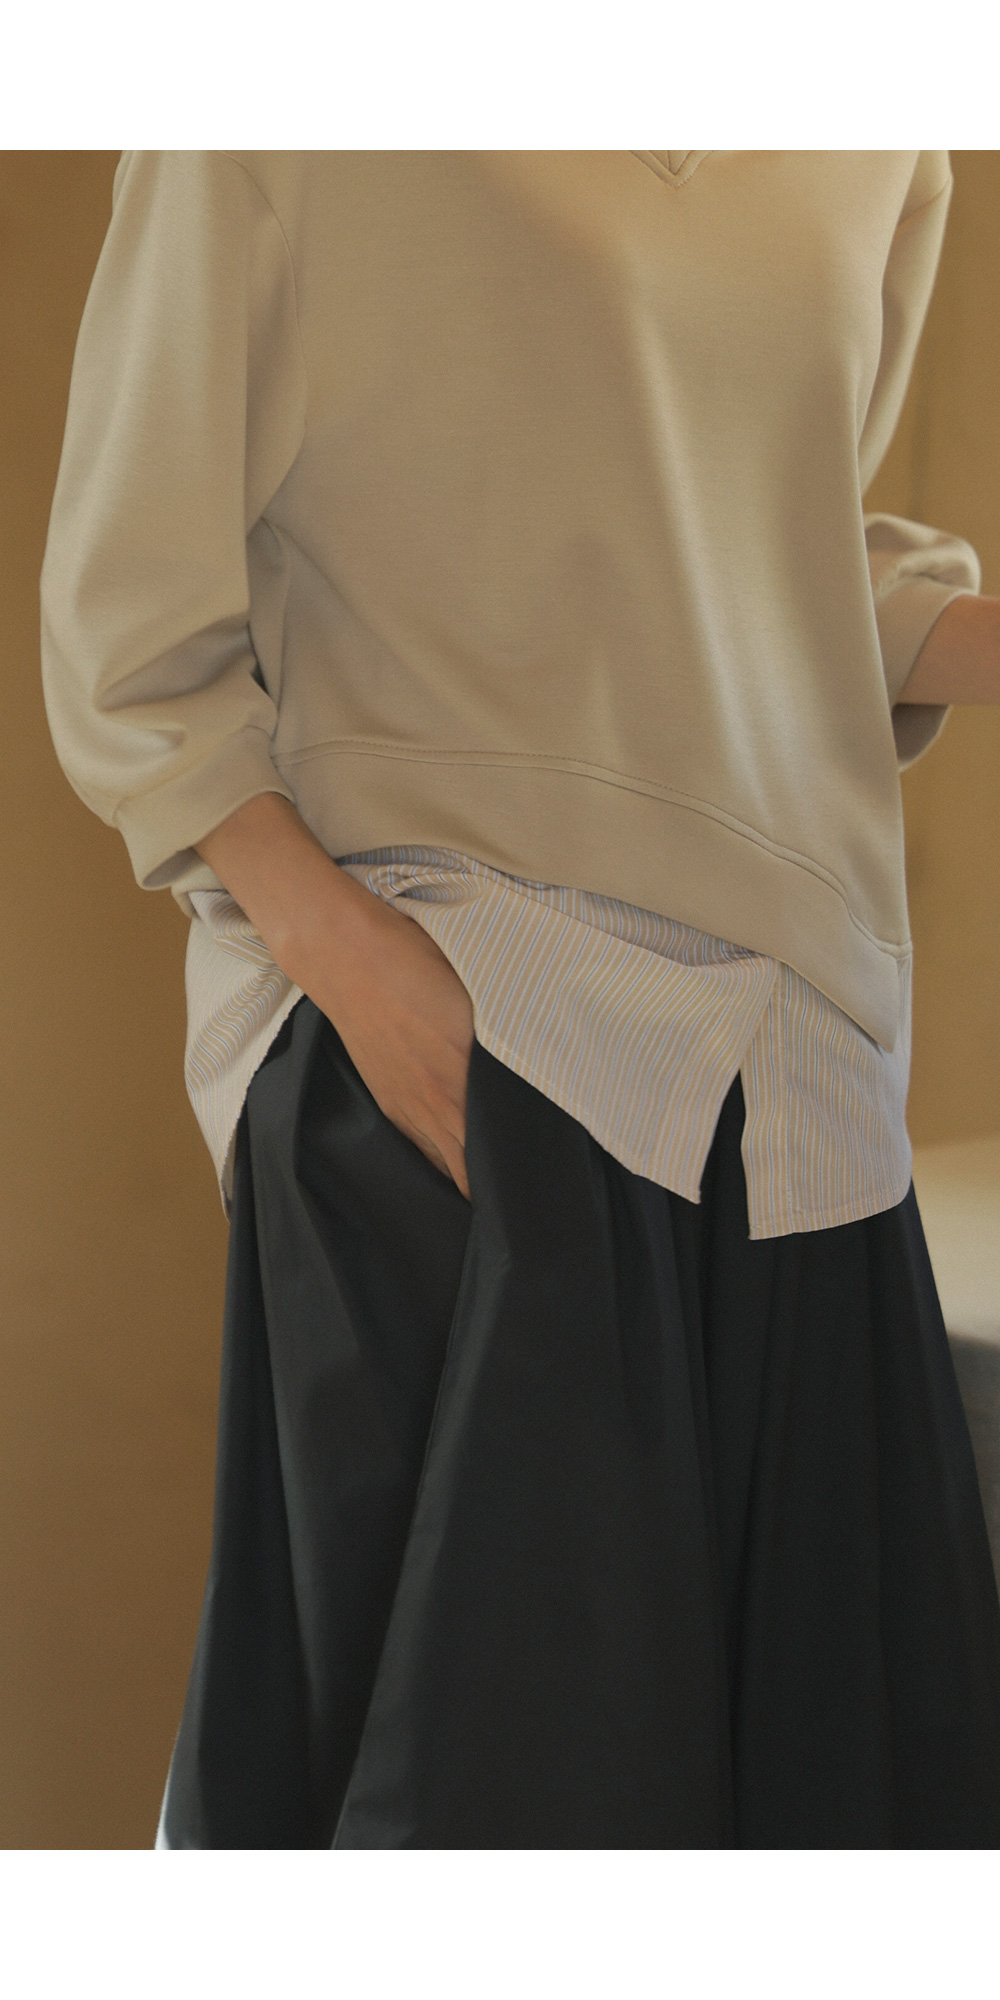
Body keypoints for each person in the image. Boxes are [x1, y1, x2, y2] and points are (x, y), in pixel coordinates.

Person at [40, 149, 1000, 1848]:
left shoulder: (882, 128)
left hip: (809, 1085)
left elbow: (743, 544)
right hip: (484, 1029)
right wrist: (363, 980)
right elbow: (128, 613)